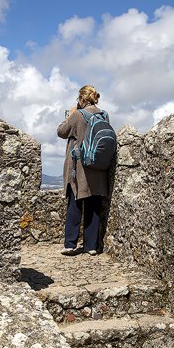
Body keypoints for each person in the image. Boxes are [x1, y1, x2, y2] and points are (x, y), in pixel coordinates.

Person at [57, 85, 111, 255]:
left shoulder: (78, 115)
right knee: (94, 205)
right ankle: (91, 246)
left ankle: (71, 244)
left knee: (75, 203)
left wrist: (70, 115)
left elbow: (61, 132)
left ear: (81, 99)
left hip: (80, 167)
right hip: (98, 167)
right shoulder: (104, 115)